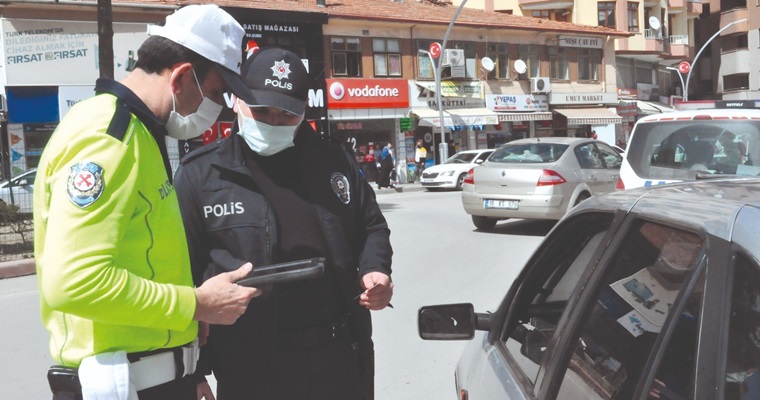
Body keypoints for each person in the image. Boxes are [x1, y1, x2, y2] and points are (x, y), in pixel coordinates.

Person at [33, 5, 261, 400]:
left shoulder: (139, 132)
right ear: (182, 77)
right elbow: (74, 282)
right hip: (121, 384)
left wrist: (186, 342)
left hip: (154, 378)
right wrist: (194, 304)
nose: (217, 108)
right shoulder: (109, 138)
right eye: (216, 93)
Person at [174, 47, 394, 400]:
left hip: (337, 356)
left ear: (304, 111)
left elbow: (371, 226)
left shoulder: (332, 160)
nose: (273, 122)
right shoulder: (200, 175)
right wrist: (194, 371)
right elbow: (181, 273)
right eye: (261, 111)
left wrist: (376, 269)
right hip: (249, 364)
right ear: (236, 101)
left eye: (286, 114)